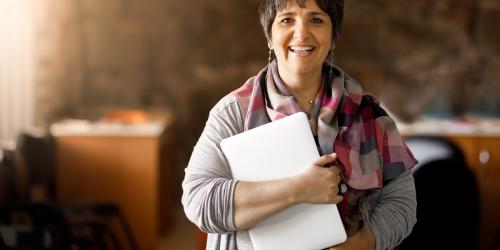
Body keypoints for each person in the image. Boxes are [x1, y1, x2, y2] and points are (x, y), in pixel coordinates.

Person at [182, 0, 418, 249]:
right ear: (269, 36)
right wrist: (300, 188)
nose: (302, 33)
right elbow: (199, 201)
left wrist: (356, 246)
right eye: (287, 20)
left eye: (316, 20)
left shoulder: (371, 116)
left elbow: (401, 204)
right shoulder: (233, 112)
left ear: (334, 36)